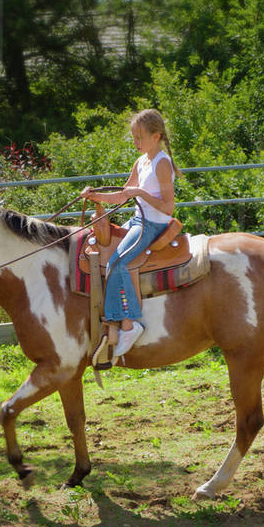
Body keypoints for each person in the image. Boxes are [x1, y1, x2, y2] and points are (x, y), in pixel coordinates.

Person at [81, 109, 179, 358]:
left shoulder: (162, 163)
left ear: (156, 136)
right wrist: (95, 196)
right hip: (138, 220)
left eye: (140, 138)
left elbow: (168, 208)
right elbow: (124, 194)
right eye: (134, 138)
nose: (136, 143)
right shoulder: (142, 161)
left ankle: (129, 323)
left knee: (118, 263)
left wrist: (142, 194)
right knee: (107, 254)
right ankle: (113, 322)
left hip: (153, 225)